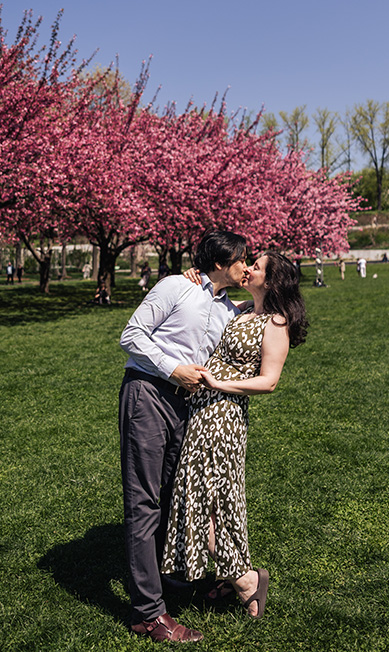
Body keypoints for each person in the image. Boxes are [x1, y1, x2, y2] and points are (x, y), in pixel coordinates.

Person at [118, 228, 250, 644]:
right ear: (219, 262)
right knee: (143, 501)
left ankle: (163, 577)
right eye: (242, 259)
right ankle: (148, 614)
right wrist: (172, 368)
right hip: (149, 394)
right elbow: (131, 335)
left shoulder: (229, 310)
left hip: (187, 407)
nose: (247, 266)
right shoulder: (177, 285)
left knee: (175, 494)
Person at [160, 251, 309, 621]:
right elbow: (210, 299)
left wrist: (220, 383)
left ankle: (244, 579)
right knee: (205, 496)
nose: (248, 268)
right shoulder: (243, 308)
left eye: (256, 266)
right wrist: (196, 275)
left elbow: (269, 381)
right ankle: (233, 572)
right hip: (202, 411)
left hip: (223, 415)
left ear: (272, 281)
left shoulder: (276, 322)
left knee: (211, 497)